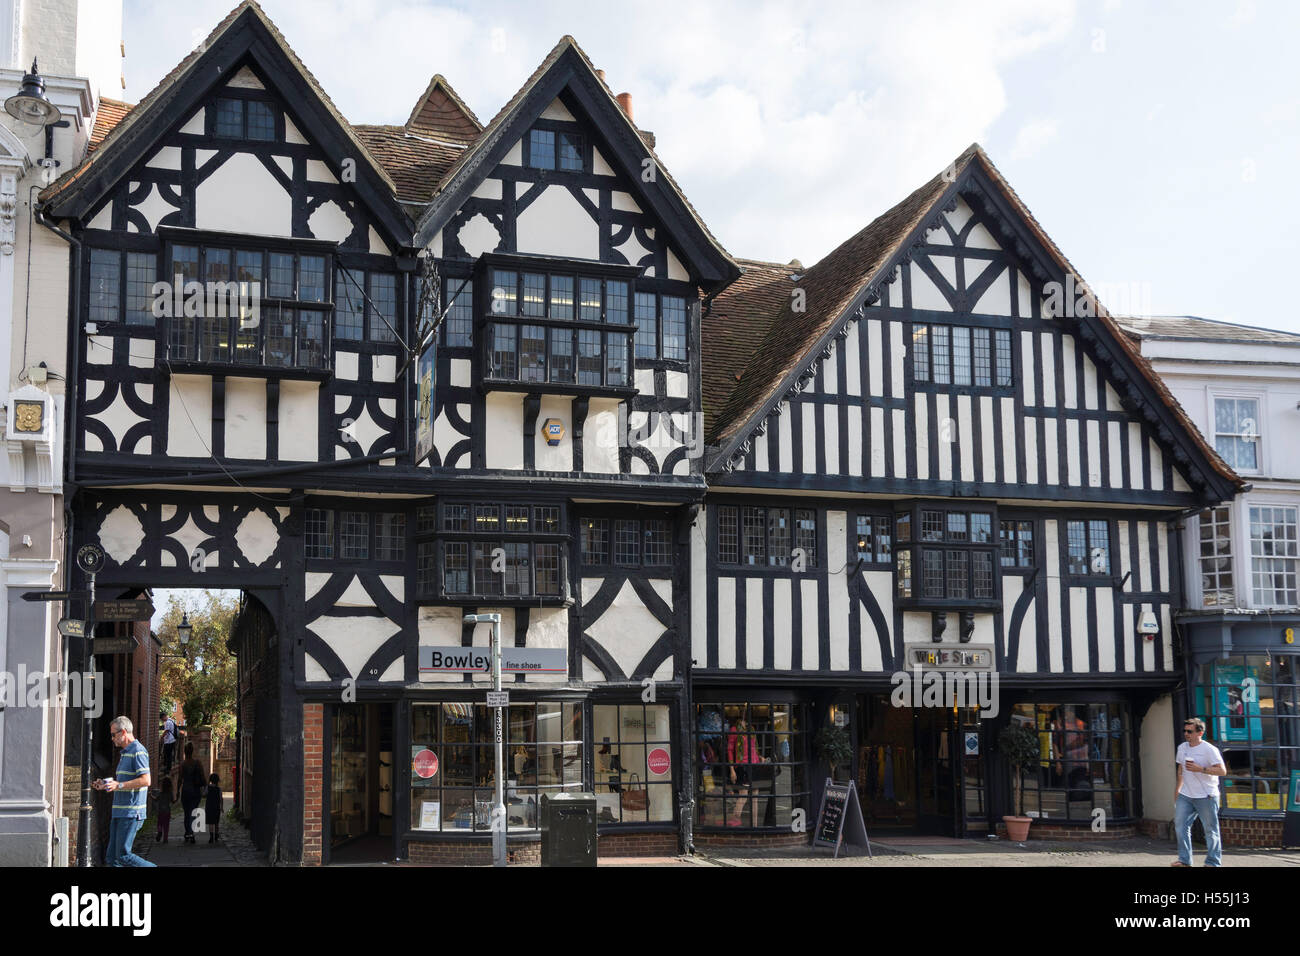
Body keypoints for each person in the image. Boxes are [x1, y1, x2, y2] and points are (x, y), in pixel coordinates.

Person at [92, 716, 157, 867]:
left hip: (130, 812)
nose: (112, 738)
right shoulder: (124, 753)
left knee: (123, 855)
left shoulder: (138, 751)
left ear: (123, 732)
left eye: (114, 734)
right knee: (111, 859)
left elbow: (146, 780)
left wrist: (118, 785)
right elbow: (121, 782)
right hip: (119, 812)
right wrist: (105, 784)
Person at [1173, 717, 1226, 867]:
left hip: (1207, 796)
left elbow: (1222, 771)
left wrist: (1200, 769)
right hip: (1186, 795)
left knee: (1210, 830)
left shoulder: (1209, 750)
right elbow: (1180, 769)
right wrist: (1177, 789)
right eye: (1184, 731)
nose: (1186, 734)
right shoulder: (1182, 748)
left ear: (1200, 732)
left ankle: (1213, 862)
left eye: (1189, 731)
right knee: (1180, 826)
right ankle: (1184, 860)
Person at [179, 742, 205, 844]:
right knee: (193, 812)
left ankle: (188, 832)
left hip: (186, 790)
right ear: (192, 751)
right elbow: (202, 776)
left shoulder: (183, 764)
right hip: (195, 791)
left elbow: (180, 779)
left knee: (186, 813)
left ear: (185, 752)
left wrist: (177, 792)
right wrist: (205, 786)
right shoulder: (197, 763)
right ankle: (191, 833)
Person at [155, 776, 176, 843]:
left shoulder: (160, 794)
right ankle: (165, 838)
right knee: (166, 826)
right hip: (167, 812)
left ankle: (160, 831)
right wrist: (177, 798)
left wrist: (150, 795)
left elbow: (155, 799)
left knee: (159, 823)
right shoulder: (170, 794)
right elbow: (173, 802)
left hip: (160, 811)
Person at [205, 772, 223, 843]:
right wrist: (221, 807)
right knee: (216, 822)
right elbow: (221, 798)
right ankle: (216, 836)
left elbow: (204, 794)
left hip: (209, 807)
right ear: (218, 780)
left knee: (210, 822)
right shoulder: (219, 789)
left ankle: (211, 837)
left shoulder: (208, 787)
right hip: (216, 807)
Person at [160, 711, 178, 775]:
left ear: (164, 717)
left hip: (169, 741)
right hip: (172, 740)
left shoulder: (167, 722)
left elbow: (166, 731)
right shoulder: (171, 720)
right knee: (168, 754)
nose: (162, 720)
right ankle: (167, 767)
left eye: (162, 719)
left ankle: (167, 769)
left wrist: (161, 737)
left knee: (168, 755)